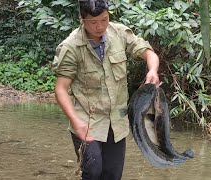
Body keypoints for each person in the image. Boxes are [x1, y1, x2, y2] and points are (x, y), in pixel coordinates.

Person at [52, 0, 160, 179]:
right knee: (93, 172)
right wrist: (76, 121)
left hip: (117, 121)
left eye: (104, 19)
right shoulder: (71, 47)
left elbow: (148, 53)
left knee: (113, 174)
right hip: (87, 121)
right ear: (82, 19)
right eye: (93, 22)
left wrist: (153, 70)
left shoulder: (119, 33)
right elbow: (61, 89)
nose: (100, 26)